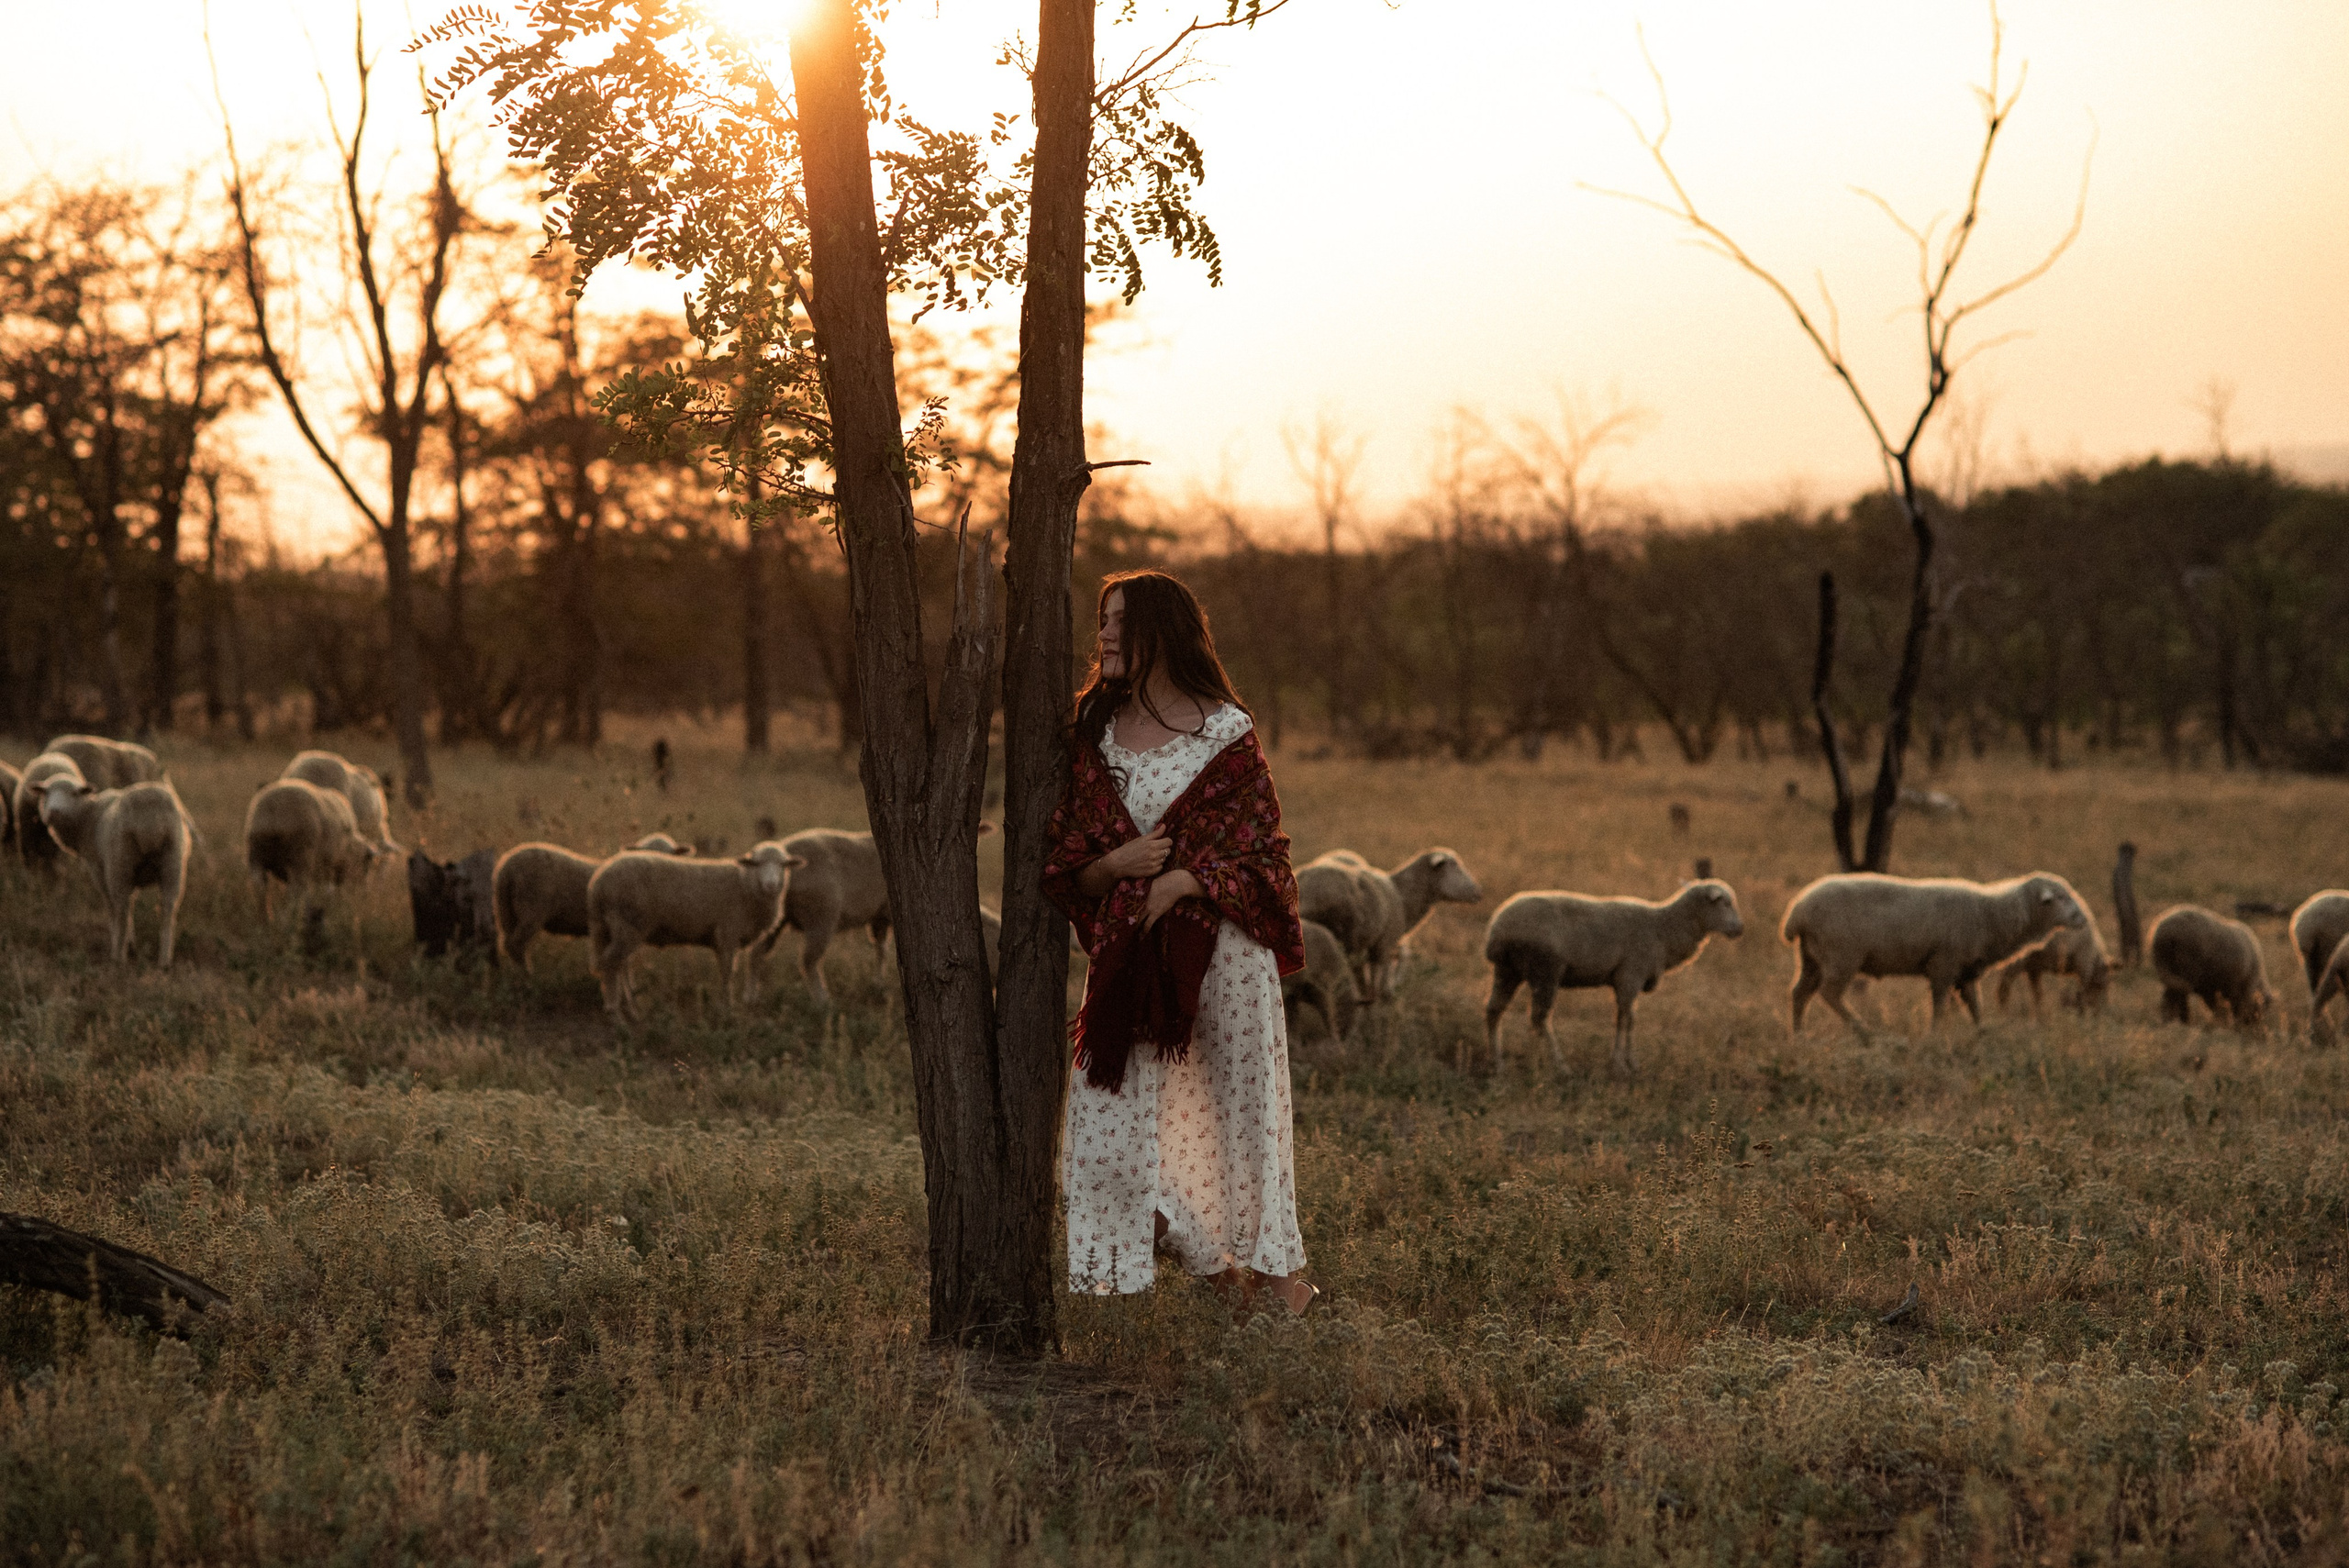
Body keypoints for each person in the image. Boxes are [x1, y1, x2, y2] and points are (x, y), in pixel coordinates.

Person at [1041, 569, 1318, 1314]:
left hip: (1224, 957)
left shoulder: (1226, 731)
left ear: (1165, 629)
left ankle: (1280, 1291)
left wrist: (1185, 882)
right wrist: (1117, 866)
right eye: (1102, 620)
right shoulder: (1092, 735)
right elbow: (1067, 863)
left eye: (1120, 621)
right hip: (1130, 963)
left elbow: (1266, 857)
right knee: (1105, 1142)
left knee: (1241, 1123)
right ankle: (1214, 1271)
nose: (1103, 635)